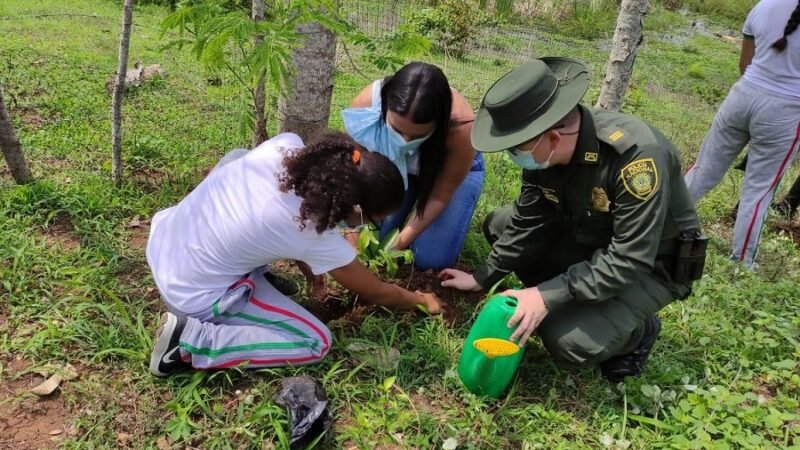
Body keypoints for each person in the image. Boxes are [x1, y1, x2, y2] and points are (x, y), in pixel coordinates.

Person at [440, 58, 706, 382]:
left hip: (650, 266)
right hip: (593, 239)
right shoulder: (543, 155)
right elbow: (528, 221)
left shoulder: (637, 158)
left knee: (567, 341)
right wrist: (483, 276)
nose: (514, 156)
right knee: (500, 225)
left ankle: (638, 332)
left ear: (551, 136)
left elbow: (629, 258)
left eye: (516, 148)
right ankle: (572, 296)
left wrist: (546, 296)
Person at [146, 132, 445, 377]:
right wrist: (421, 300)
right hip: (188, 292)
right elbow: (378, 293)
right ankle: (190, 342)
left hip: (165, 238)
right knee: (315, 341)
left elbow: (290, 224)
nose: (370, 227)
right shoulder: (312, 233)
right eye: (373, 221)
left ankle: (248, 279)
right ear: (354, 208)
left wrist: (309, 270)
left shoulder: (287, 146)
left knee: (238, 156)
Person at [684, 0, 800, 267]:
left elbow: (744, 64)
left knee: (702, 170)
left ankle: (658, 224)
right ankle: (743, 262)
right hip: (785, 111)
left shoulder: (764, 6)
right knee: (758, 191)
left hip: (741, 97)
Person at [342, 62, 484, 270]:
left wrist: (398, 244)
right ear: (384, 107)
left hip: (446, 176)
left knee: (430, 259)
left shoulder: (461, 129)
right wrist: (352, 230)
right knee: (375, 232)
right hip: (393, 169)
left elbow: (439, 196)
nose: (405, 141)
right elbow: (355, 172)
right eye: (397, 131)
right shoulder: (367, 104)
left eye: (417, 136)